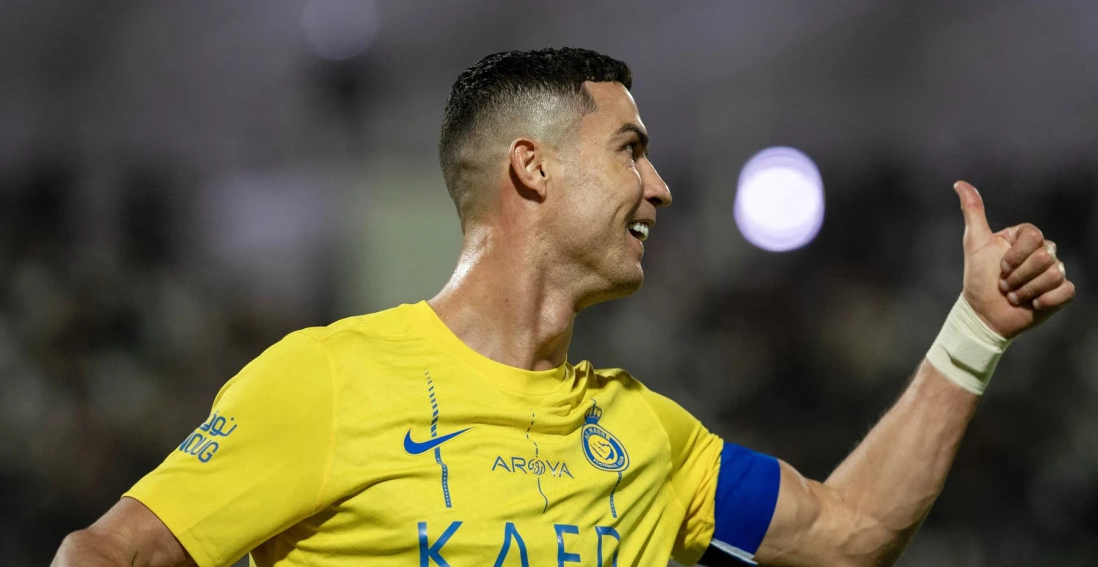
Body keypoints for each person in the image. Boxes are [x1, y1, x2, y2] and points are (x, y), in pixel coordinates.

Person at [53, 47, 1075, 567]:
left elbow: (850, 534)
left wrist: (974, 331)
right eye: (631, 150)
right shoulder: (327, 380)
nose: (661, 187)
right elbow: (109, 552)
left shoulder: (653, 437)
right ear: (532, 168)